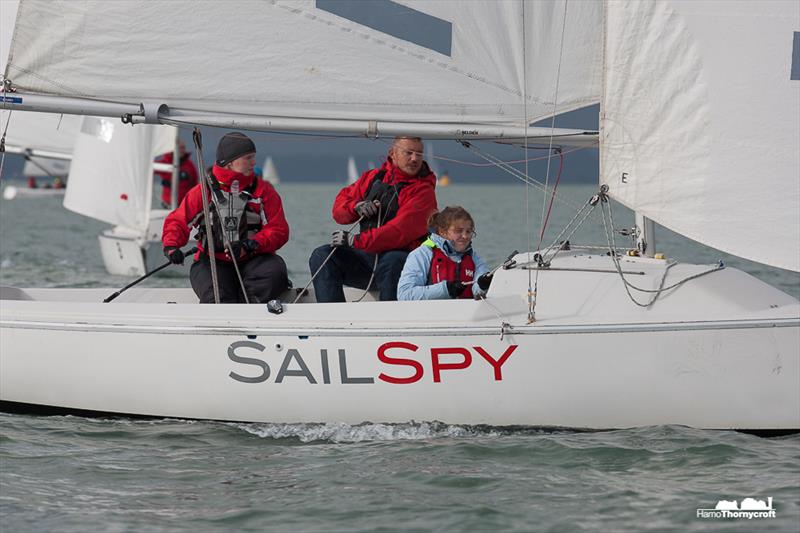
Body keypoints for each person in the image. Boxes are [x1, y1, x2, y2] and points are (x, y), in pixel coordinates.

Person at [161, 132, 290, 304]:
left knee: (274, 274)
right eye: (248, 158)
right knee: (216, 296)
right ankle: (222, 324)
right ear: (230, 162)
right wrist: (171, 246)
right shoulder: (203, 193)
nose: (254, 162)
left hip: (254, 258)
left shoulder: (263, 191)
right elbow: (178, 221)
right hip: (212, 262)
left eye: (254, 157)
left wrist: (251, 244)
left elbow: (279, 229)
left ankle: (251, 314)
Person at [308, 136, 437, 302]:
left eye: (419, 154)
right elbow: (338, 209)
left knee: (393, 261)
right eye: (409, 153)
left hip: (403, 263)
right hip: (367, 259)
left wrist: (355, 240)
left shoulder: (424, 192)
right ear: (393, 154)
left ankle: (389, 319)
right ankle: (334, 317)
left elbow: (400, 232)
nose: (415, 159)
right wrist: (356, 207)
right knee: (322, 255)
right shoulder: (372, 177)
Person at [397, 206, 493, 300]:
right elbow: (404, 294)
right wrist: (446, 290)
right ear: (443, 232)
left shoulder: (475, 258)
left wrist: (482, 286)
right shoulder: (421, 254)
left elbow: (479, 289)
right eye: (458, 231)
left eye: (468, 231)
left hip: (467, 313)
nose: (465, 236)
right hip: (430, 314)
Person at [155, 139, 199, 208]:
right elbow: (150, 170)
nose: (182, 150)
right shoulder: (165, 162)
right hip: (168, 205)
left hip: (184, 205)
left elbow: (195, 183)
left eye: (183, 148)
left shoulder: (189, 165)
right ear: (173, 149)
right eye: (180, 148)